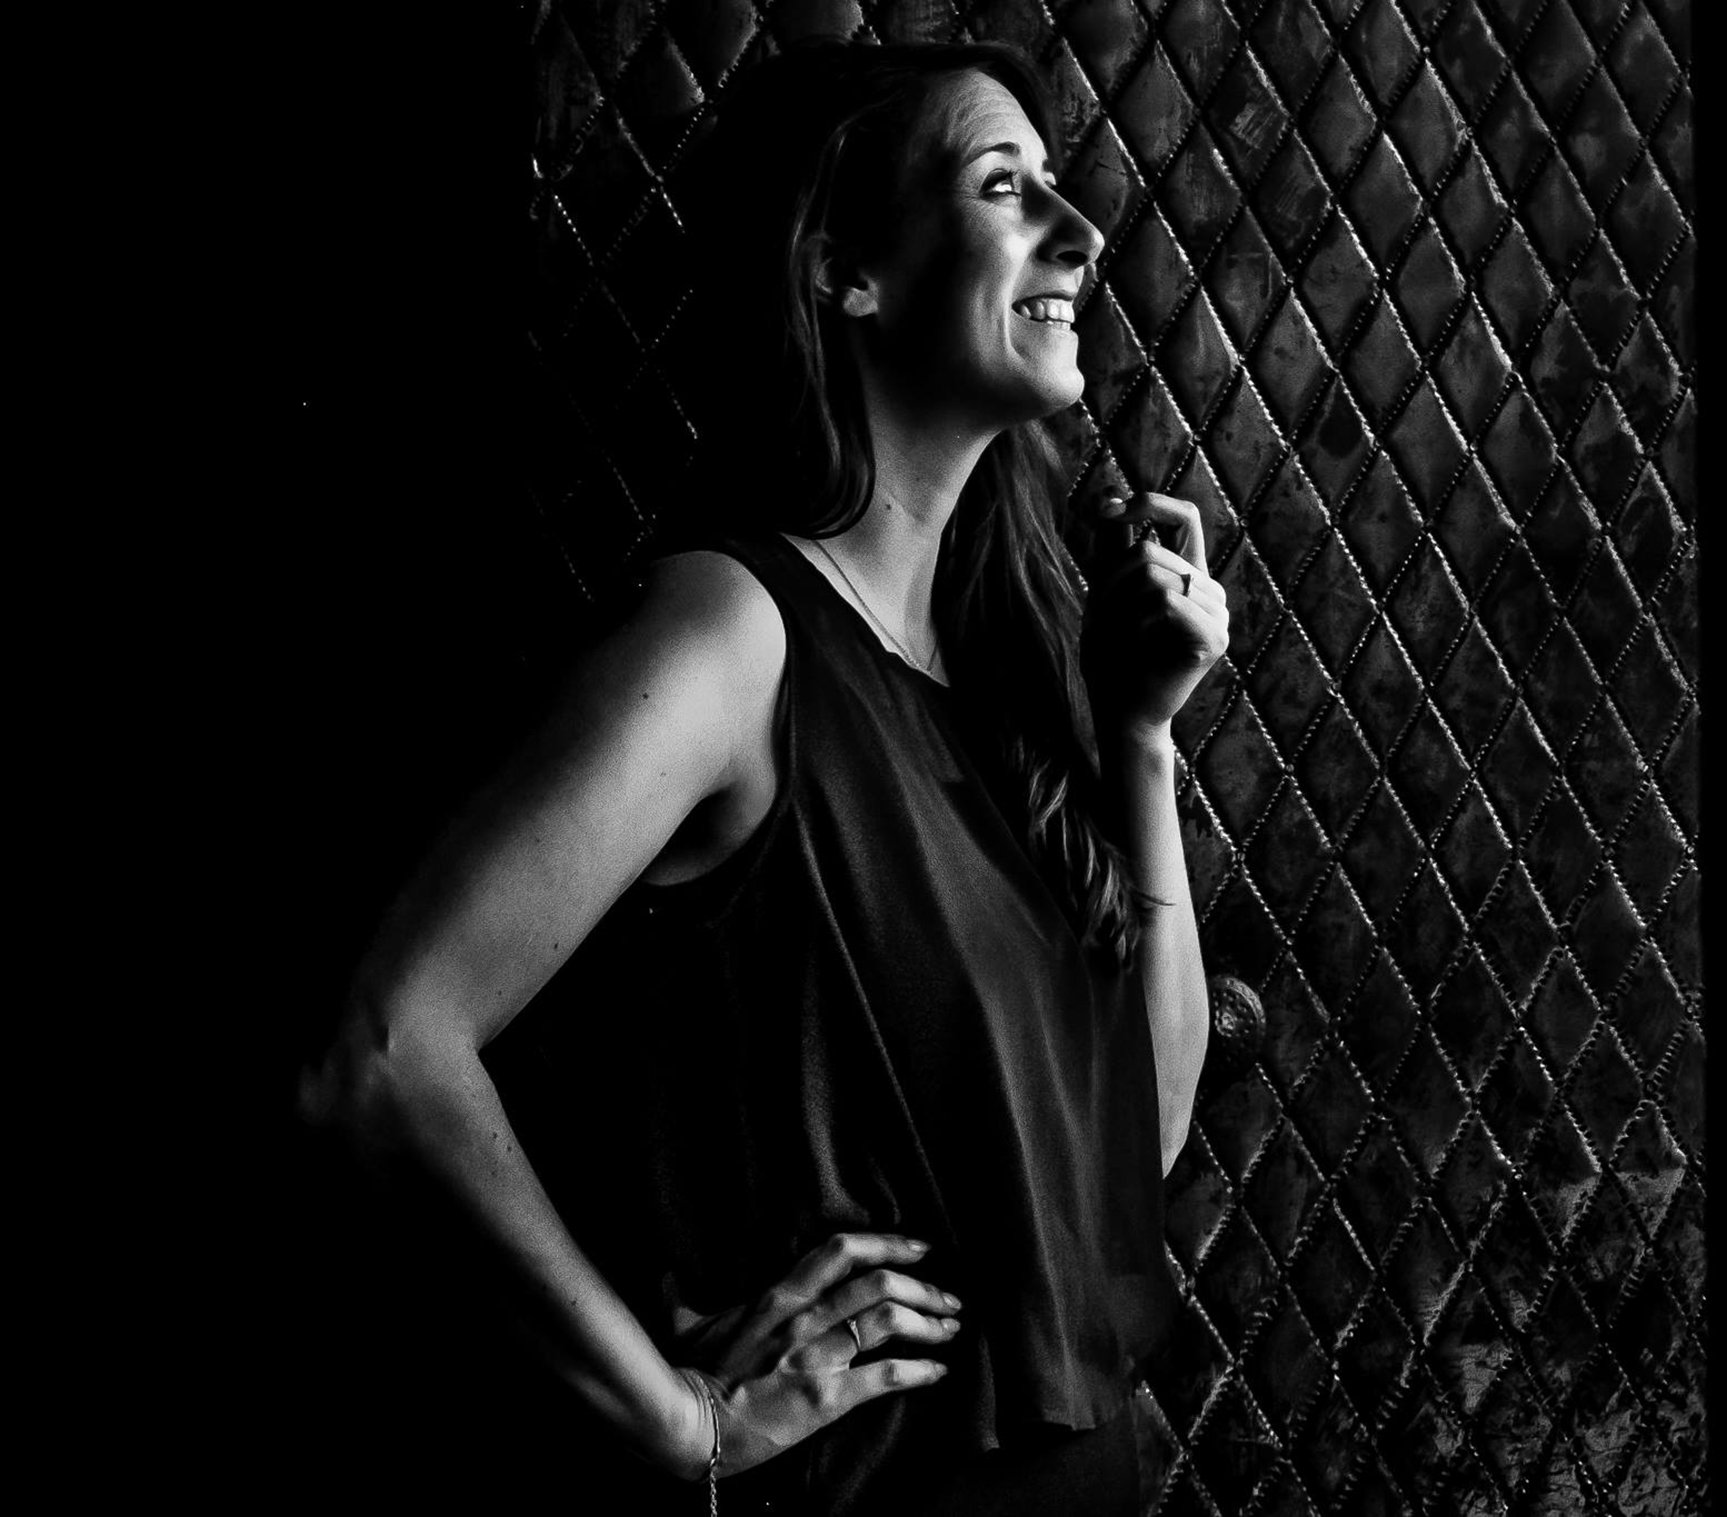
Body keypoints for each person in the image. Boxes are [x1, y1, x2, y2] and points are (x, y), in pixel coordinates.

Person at [299, 37, 1229, 1515]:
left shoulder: (1016, 680)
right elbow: (382, 1049)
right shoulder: (734, 635)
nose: (1082, 227)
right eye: (1006, 186)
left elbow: (1138, 1144)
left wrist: (1140, 740)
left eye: (1062, 184)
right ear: (843, 270)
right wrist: (681, 1419)